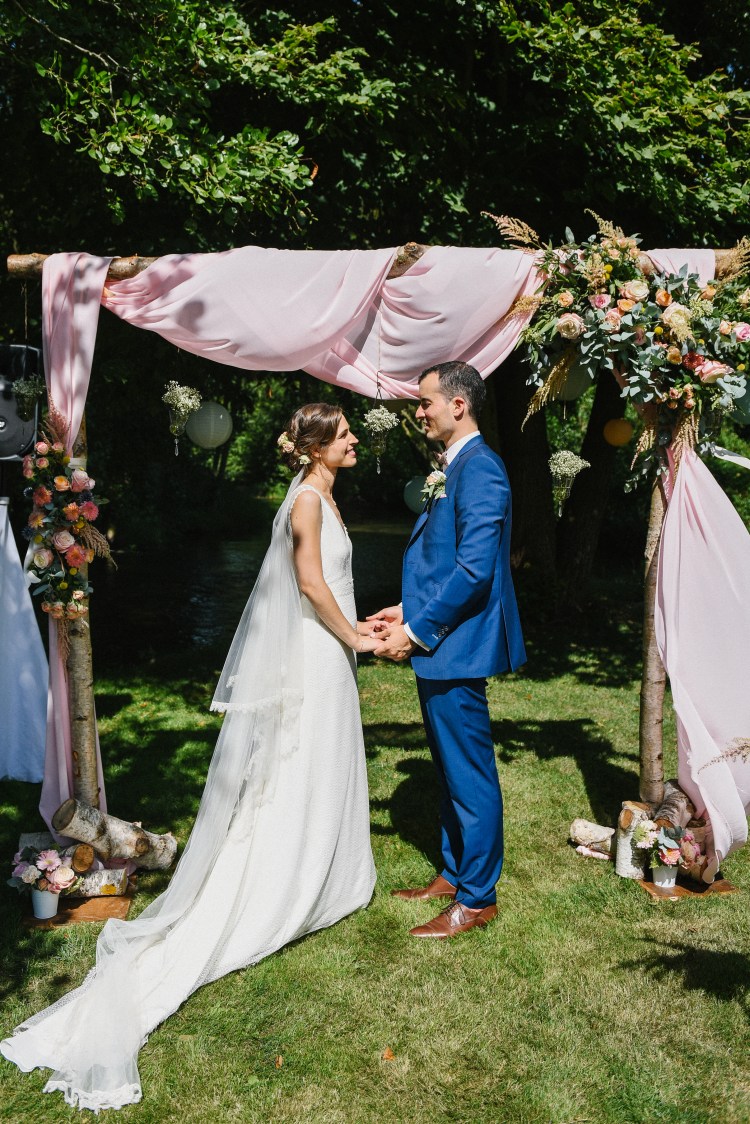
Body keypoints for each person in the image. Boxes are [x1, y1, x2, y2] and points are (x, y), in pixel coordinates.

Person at [1, 403, 378, 1112]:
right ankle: (293, 877)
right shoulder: (306, 501)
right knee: (302, 764)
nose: (355, 439)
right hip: (320, 651)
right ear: (316, 448)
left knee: (321, 763)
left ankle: (329, 862)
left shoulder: (324, 495)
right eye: (345, 434)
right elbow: (308, 583)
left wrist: (358, 628)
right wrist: (356, 637)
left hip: (330, 650)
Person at [369, 361, 525, 938]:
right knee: (448, 765)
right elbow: (444, 561)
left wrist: (416, 631)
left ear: (458, 405)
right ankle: (455, 872)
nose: (419, 411)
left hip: (458, 644)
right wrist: (406, 609)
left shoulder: (480, 469)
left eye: (425, 401)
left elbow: (474, 571)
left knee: (469, 773)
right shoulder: (454, 465)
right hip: (441, 640)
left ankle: (478, 899)